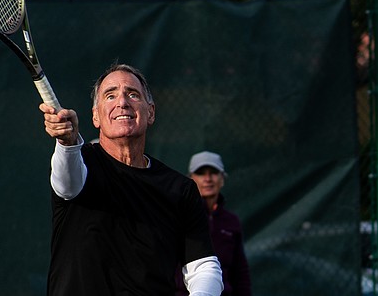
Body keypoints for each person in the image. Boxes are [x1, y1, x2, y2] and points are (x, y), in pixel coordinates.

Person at [39, 63, 223, 296]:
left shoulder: (180, 189)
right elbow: (66, 184)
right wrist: (67, 143)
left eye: (133, 94)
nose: (122, 102)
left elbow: (203, 267)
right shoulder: (80, 163)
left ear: (151, 112)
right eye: (110, 95)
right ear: (96, 116)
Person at [176, 151, 253, 296]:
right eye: (200, 173)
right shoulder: (179, 216)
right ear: (190, 178)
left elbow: (240, 272)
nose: (207, 179)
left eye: (213, 172)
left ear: (223, 179)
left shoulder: (232, 221)